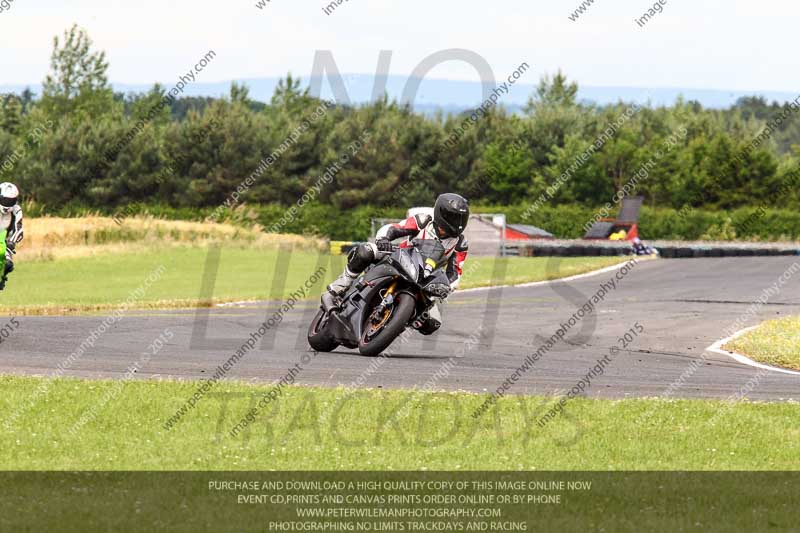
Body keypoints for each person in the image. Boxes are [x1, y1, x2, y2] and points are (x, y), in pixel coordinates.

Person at [324, 193, 470, 334]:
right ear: (440, 213)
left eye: (460, 219)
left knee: (431, 323)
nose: (457, 223)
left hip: (424, 279)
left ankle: (395, 322)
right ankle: (340, 286)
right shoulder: (424, 220)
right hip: (399, 257)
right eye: (453, 218)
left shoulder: (460, 244)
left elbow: (455, 273)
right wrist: (384, 239)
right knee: (365, 251)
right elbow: (395, 228)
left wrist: (445, 288)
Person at [0, 182, 23, 290]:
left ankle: (2, 278)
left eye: (11, 201)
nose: (8, 203)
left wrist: (12, 242)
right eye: (6, 200)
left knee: (9, 265)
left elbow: (19, 229)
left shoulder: (17, 210)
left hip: (6, 241)